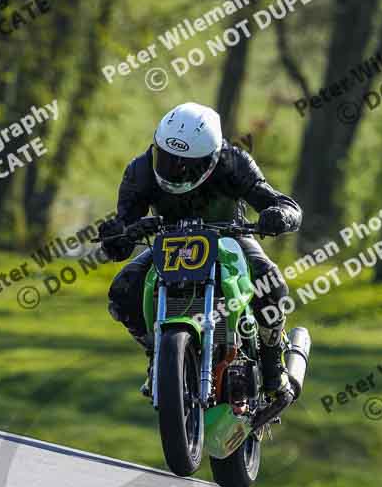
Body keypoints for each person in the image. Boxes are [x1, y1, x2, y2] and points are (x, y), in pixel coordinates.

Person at [98, 102, 302, 395]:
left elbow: (282, 203)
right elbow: (119, 239)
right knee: (122, 292)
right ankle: (159, 357)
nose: (174, 170)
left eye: (186, 165)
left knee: (272, 283)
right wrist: (119, 234)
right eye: (166, 159)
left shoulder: (234, 162)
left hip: (231, 237)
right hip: (169, 243)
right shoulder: (140, 171)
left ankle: (272, 367)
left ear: (211, 159)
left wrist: (278, 216)